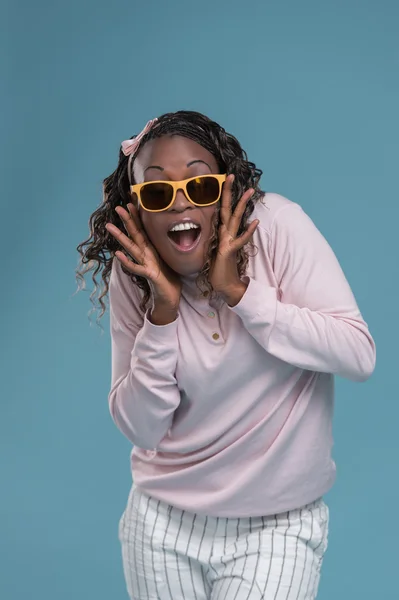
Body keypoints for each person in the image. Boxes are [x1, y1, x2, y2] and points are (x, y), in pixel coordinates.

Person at [76, 110, 376, 599]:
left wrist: (241, 293)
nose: (179, 204)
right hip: (161, 527)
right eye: (156, 192)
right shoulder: (136, 274)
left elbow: (357, 355)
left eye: (200, 186)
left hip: (276, 527)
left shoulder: (276, 227)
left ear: (226, 191)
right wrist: (162, 315)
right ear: (137, 210)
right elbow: (143, 428)